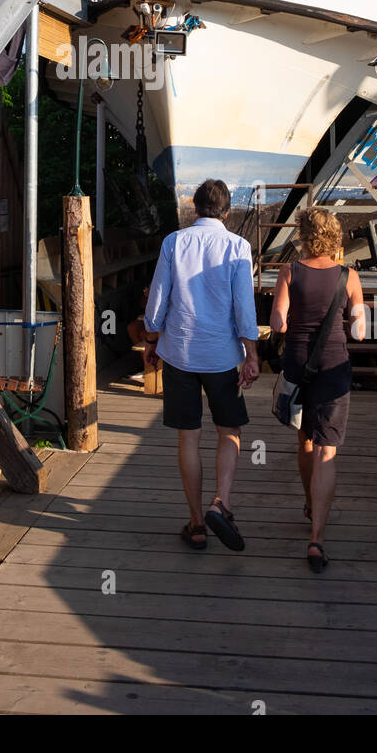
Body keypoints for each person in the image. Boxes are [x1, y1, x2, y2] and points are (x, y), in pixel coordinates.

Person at [143, 178, 260, 551]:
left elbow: (158, 299)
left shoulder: (173, 242)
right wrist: (251, 354)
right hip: (223, 356)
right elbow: (244, 307)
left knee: (188, 438)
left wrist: (151, 338)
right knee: (229, 431)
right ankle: (220, 503)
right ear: (226, 212)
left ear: (194, 208)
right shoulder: (238, 246)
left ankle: (196, 524)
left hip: (179, 353)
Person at [269, 207, 365, 572]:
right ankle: (317, 537)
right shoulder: (349, 276)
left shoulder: (289, 271)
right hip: (333, 366)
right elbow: (359, 331)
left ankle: (310, 502)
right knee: (327, 450)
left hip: (297, 364)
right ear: (335, 237)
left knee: (305, 440)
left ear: (303, 236)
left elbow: (278, 324)